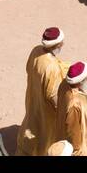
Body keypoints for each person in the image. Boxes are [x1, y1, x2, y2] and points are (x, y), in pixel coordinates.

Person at [17, 27, 67, 156]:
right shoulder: (52, 67)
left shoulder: (36, 50)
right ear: (58, 45)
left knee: (33, 119)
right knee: (45, 131)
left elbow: (28, 69)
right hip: (46, 107)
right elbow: (53, 95)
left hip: (34, 94)